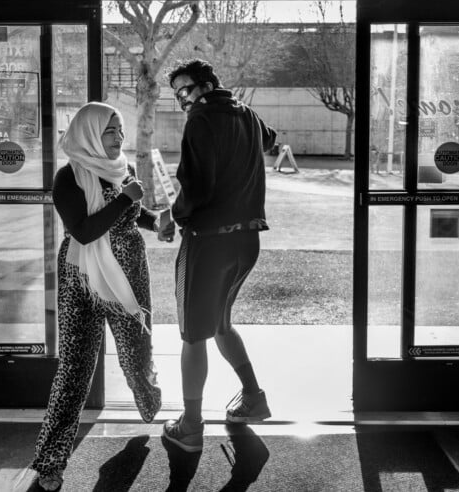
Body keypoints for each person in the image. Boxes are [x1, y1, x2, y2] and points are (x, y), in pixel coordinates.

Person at [30, 102, 163, 490]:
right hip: (80, 278)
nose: (119, 138)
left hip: (128, 272)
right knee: (73, 370)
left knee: (136, 354)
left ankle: (148, 397)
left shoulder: (124, 169)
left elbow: (132, 214)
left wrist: (156, 222)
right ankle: (51, 461)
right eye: (110, 130)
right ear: (88, 132)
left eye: (121, 130)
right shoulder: (68, 177)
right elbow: (84, 231)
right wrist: (125, 199)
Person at [159, 59, 277, 453]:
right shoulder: (247, 113)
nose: (183, 100)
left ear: (207, 85)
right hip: (247, 242)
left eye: (187, 90)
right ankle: (253, 399)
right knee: (221, 323)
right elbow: (269, 139)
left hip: (208, 242)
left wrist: (173, 216)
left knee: (194, 335)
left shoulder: (201, 119)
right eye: (177, 94)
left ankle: (190, 426)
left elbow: (195, 186)